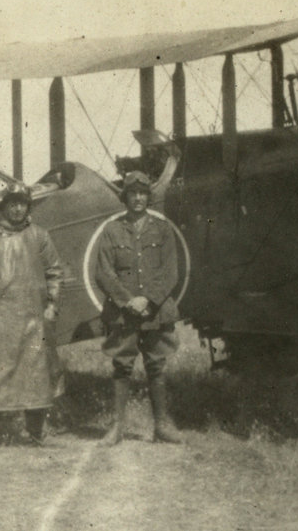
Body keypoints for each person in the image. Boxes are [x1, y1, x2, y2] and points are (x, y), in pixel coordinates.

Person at [0, 183, 64, 445]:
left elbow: (54, 272)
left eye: (22, 203)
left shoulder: (39, 235)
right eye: (12, 203)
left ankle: (36, 433)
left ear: (28, 206)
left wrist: (51, 305)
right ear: (4, 206)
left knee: (37, 375)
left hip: (33, 319)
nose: (17, 208)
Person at [95, 170, 182, 445]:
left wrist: (149, 299)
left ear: (149, 197)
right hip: (124, 313)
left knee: (156, 365)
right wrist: (127, 300)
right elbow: (104, 272)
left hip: (155, 312)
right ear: (125, 197)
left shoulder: (162, 229)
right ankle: (117, 428)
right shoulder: (112, 230)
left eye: (143, 193)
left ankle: (163, 426)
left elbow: (170, 271)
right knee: (122, 366)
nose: (138, 199)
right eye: (133, 193)